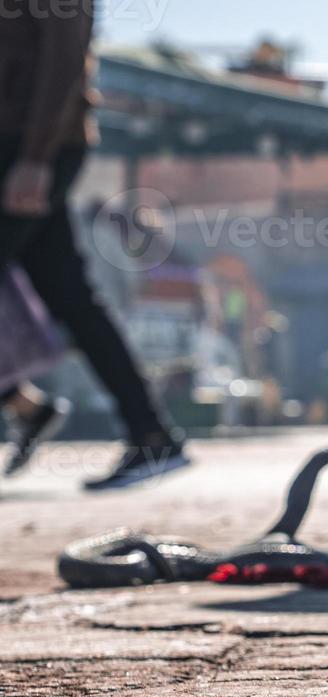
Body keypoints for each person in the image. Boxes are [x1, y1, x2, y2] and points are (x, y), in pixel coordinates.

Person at [0, 5, 187, 490]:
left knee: (71, 294)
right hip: (20, 146)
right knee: (69, 294)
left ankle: (27, 405)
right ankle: (149, 434)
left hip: (29, 148)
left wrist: (36, 157)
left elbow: (65, 54)